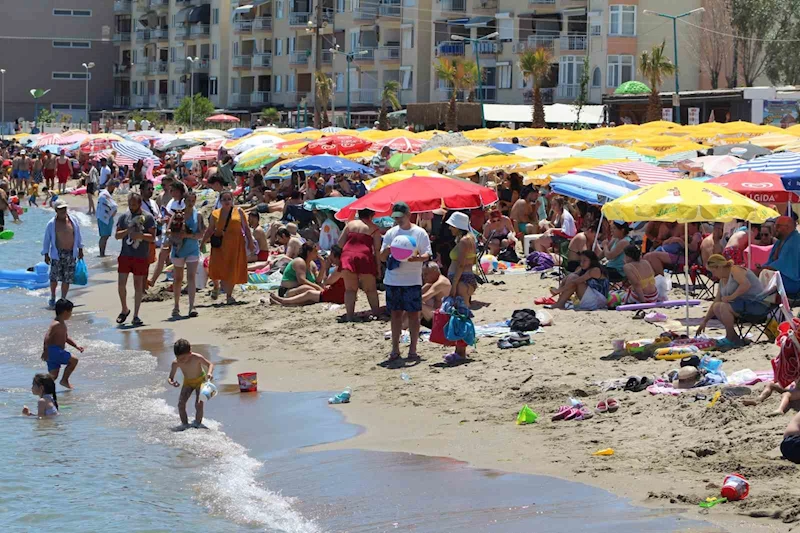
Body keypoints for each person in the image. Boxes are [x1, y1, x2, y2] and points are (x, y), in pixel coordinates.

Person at [379, 202, 432, 361]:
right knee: (395, 315)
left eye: (400, 217)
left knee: (414, 316)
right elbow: (381, 257)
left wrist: (418, 258)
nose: (398, 220)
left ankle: (413, 350)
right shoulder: (391, 233)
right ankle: (395, 349)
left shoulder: (419, 233)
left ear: (408, 215)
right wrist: (387, 251)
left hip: (412, 280)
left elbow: (427, 254)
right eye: (395, 217)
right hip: (393, 279)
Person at [696, 254, 767, 346]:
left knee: (723, 306)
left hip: (756, 305)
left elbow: (746, 284)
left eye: (713, 271)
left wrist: (731, 297)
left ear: (719, 267)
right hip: (743, 306)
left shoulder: (735, 270)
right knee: (717, 306)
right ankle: (733, 337)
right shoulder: (722, 280)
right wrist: (705, 321)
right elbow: (716, 302)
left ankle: (730, 338)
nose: (713, 275)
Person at [115, 192, 156, 327]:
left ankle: (136, 315)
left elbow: (152, 238)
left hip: (140, 256)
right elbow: (117, 236)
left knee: (138, 285)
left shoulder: (148, 217)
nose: (131, 207)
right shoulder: (124, 217)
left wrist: (140, 235)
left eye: (134, 204)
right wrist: (128, 231)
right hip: (125, 254)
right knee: (121, 284)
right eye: (130, 204)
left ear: (139, 204)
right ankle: (124, 309)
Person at [206, 191, 252, 304]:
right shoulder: (215, 213)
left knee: (232, 269)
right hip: (220, 244)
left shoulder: (239, 211)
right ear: (220, 201)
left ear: (232, 200)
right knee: (216, 267)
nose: (227, 201)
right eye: (224, 199)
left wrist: (250, 242)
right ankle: (216, 286)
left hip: (236, 244)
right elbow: (210, 229)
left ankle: (229, 295)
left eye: (229, 199)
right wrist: (202, 242)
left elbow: (246, 228)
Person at [337, 208, 382, 322]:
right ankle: (376, 313)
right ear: (372, 214)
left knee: (350, 290)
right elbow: (377, 250)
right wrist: (378, 267)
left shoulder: (350, 224)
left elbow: (340, 244)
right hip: (364, 257)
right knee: (370, 289)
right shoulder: (374, 229)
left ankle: (350, 316)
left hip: (347, 256)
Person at [445, 212, 477, 363]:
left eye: (452, 226)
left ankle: (461, 352)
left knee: (460, 315)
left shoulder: (464, 241)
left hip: (461, 280)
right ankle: (460, 350)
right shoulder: (470, 239)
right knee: (461, 313)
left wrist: (453, 285)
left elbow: (460, 264)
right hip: (465, 278)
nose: (450, 228)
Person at [270, 245, 346, 306]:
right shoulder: (299, 262)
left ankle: (286, 304)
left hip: (302, 289)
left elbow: (318, 281)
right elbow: (301, 280)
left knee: (312, 296)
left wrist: (323, 266)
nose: (318, 254)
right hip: (288, 290)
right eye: (315, 251)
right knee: (308, 289)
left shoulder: (312, 264)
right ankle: (284, 301)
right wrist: (317, 287)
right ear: (309, 252)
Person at [169, 189, 205, 318]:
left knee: (191, 277)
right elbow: (169, 231)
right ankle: (176, 306)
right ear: (184, 201)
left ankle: (191, 306)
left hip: (192, 248)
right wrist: (177, 235)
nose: (191, 203)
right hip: (178, 249)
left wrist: (189, 235)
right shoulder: (178, 214)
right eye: (188, 200)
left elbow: (201, 233)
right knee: (178, 278)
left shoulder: (198, 215)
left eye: (193, 200)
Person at [42, 200, 84, 307]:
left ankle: (63, 298)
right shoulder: (52, 224)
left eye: (64, 208)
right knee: (54, 277)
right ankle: (52, 296)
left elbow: (78, 235)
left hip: (71, 253)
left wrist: (80, 249)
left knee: (67, 277)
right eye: (60, 209)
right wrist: (46, 254)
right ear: (56, 210)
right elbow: (47, 239)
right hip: (57, 254)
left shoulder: (72, 220)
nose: (63, 211)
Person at [167, 338, 215, 430]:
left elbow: (210, 364)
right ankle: (185, 425)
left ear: (190, 353)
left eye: (183, 358)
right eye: (178, 358)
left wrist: (209, 373)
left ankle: (197, 424)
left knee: (199, 404)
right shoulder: (176, 363)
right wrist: (172, 382)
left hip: (200, 381)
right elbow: (170, 377)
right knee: (181, 404)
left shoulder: (197, 357)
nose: (181, 361)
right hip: (188, 382)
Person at [148, 180, 185, 287]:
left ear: (179, 191)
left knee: (177, 258)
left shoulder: (183, 202)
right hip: (168, 232)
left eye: (172, 190)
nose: (171, 192)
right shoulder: (172, 202)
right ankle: (153, 280)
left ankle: (173, 281)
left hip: (177, 234)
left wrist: (169, 218)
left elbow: (182, 217)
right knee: (163, 256)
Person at [41, 298, 83, 389]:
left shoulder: (61, 323)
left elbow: (66, 337)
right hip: (54, 350)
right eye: (70, 312)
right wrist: (45, 351)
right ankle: (64, 380)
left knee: (53, 377)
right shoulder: (56, 324)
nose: (71, 314)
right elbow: (47, 337)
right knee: (74, 360)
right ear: (65, 312)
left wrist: (76, 346)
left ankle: (42, 388)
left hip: (53, 353)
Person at [759, 216, 800, 295]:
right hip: (781, 276)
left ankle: (763, 302)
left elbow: (783, 264)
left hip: (793, 281)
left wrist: (765, 268)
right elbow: (771, 261)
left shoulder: (794, 241)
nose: (775, 228)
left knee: (764, 274)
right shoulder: (779, 242)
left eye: (778, 226)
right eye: (775, 226)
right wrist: (762, 267)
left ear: (788, 227)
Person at [420, 261, 451, 327]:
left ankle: (402, 326)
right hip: (434, 314)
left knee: (417, 303)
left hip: (442, 318)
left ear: (434, 271)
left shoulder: (441, 283)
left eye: (426, 274)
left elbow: (424, 297)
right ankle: (402, 326)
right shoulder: (431, 283)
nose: (424, 277)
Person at [97, 179, 118, 257]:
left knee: (105, 236)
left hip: (102, 217)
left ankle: (102, 253)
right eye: (114, 187)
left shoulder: (103, 193)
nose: (114, 189)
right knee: (104, 236)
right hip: (104, 218)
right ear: (111, 186)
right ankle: (102, 254)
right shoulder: (105, 194)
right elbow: (113, 206)